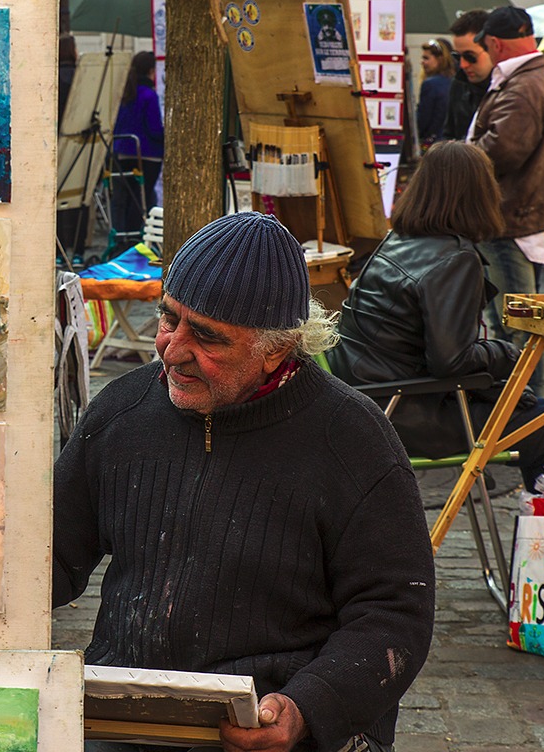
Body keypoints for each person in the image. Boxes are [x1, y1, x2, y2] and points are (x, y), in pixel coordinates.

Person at [54, 213, 435, 752]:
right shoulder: (123, 410)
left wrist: (307, 708)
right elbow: (47, 557)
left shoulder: (351, 439)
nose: (172, 349)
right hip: (130, 714)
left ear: (276, 348)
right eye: (169, 318)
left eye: (207, 336)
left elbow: (397, 614)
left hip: (275, 720)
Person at [327, 142, 544, 492]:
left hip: (373, 401)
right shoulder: (454, 259)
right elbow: (452, 361)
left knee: (540, 411)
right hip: (407, 412)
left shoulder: (398, 238)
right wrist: (506, 355)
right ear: (479, 194)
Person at [469, 5, 544, 397]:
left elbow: (502, 150)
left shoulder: (523, 84)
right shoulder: (527, 77)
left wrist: (459, 156)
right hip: (512, 217)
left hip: (510, 220)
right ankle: (523, 411)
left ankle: (527, 414)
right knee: (515, 321)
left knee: (519, 324)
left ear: (494, 42)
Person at [111, 51, 164, 238]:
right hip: (147, 154)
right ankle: (135, 238)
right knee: (141, 198)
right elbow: (155, 129)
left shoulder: (125, 92)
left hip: (123, 152)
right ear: (151, 70)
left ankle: (123, 237)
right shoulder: (149, 95)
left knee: (124, 199)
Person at [443, 10, 492, 142]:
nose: (463, 64)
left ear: (492, 48)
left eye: (470, 57)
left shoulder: (509, 87)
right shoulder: (459, 84)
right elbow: (448, 134)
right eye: (457, 57)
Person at [416, 38, 454, 147]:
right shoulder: (455, 82)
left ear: (440, 59)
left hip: (433, 143)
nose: (422, 62)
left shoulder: (430, 84)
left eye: (426, 58)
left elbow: (423, 121)